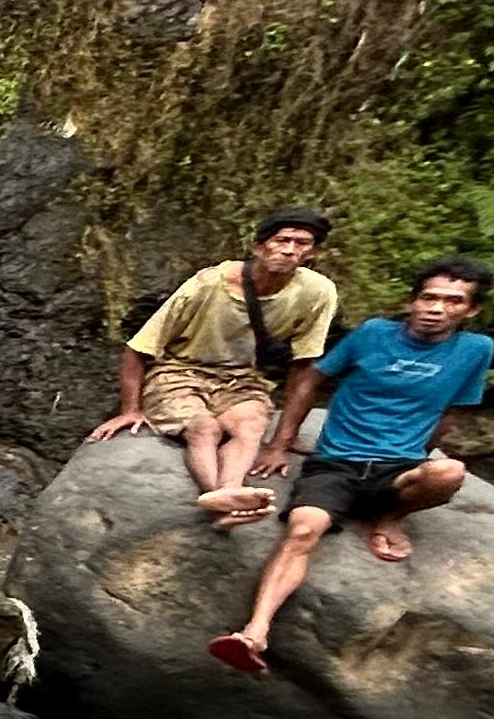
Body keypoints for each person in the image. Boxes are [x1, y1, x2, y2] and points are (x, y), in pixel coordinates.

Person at [208, 259, 494, 675]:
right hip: (336, 464)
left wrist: (423, 452)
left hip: (397, 467)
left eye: (452, 301)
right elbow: (311, 378)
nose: (436, 308)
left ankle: (388, 518)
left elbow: (451, 410)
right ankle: (254, 633)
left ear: (469, 311)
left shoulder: (475, 350)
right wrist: (280, 444)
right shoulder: (374, 334)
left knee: (449, 472)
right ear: (412, 301)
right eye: (428, 297)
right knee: (303, 529)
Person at [88, 209, 341, 521]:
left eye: (302, 243)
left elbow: (305, 364)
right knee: (204, 427)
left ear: (312, 253)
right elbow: (138, 348)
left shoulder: (318, 292)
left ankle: (231, 491)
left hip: (241, 379)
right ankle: (217, 495)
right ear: (258, 248)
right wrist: (130, 409)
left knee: (250, 426)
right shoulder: (208, 284)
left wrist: (280, 443)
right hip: (179, 371)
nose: (290, 250)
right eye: (282, 240)